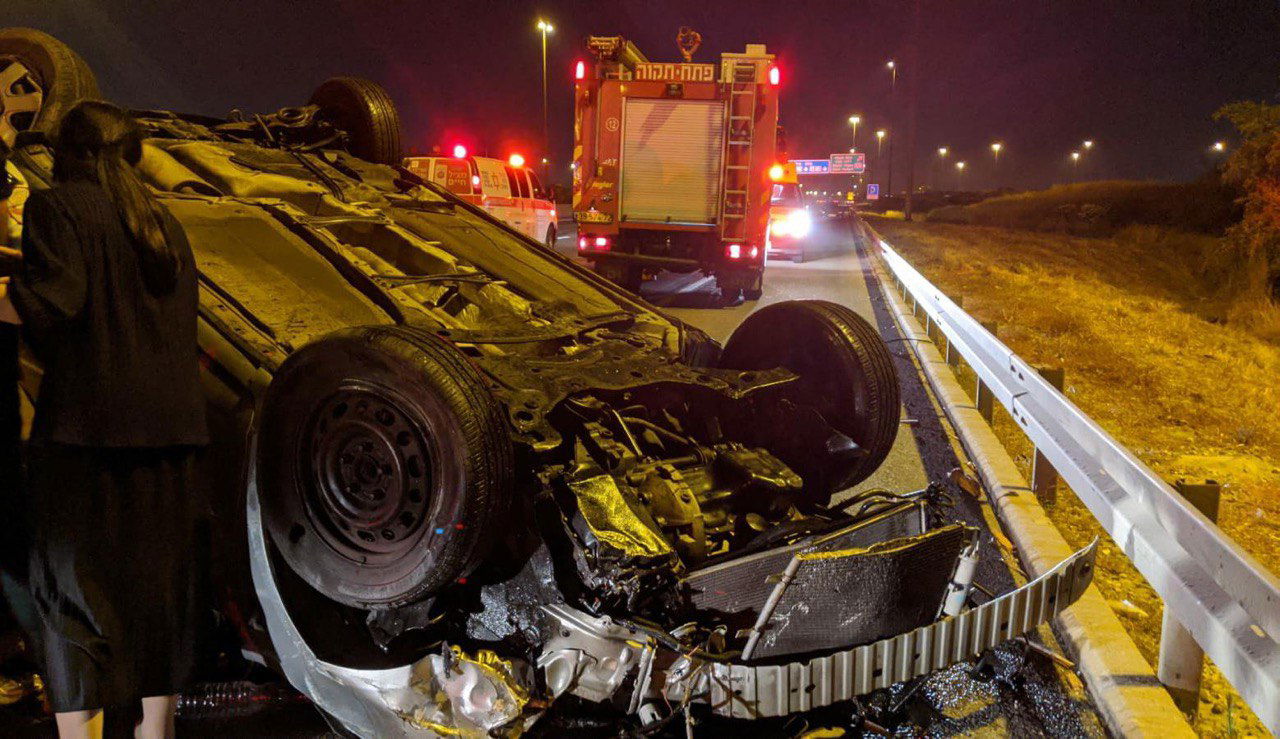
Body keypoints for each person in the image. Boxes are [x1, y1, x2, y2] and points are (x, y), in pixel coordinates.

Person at [0, 101, 208, 739]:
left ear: (69, 153)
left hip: (86, 447)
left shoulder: (57, 207)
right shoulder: (163, 222)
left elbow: (57, 303)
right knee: (156, 611)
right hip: (173, 448)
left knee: (74, 612)